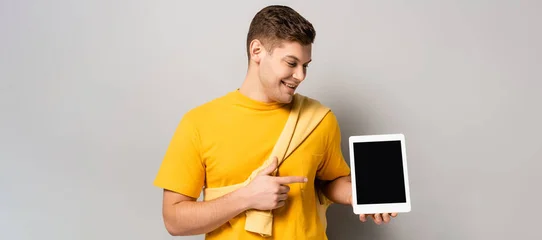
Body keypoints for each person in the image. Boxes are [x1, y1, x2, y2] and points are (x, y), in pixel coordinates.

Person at [153, 5, 397, 239]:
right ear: (256, 51)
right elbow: (174, 220)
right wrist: (246, 198)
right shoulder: (199, 123)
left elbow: (330, 182)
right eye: (291, 63)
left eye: (305, 66)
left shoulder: (319, 119)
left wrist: (359, 194)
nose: (300, 76)